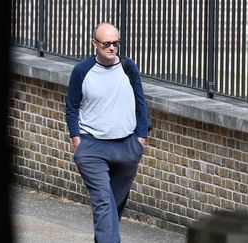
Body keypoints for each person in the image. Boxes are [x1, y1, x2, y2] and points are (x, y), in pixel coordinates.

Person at [65, 22, 149, 243]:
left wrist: (140, 139)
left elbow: (141, 103)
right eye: (106, 44)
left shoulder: (129, 67)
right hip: (93, 147)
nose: (112, 48)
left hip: (127, 146)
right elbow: (72, 107)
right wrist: (77, 140)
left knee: (115, 203)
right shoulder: (82, 71)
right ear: (95, 44)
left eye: (115, 43)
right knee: (103, 200)